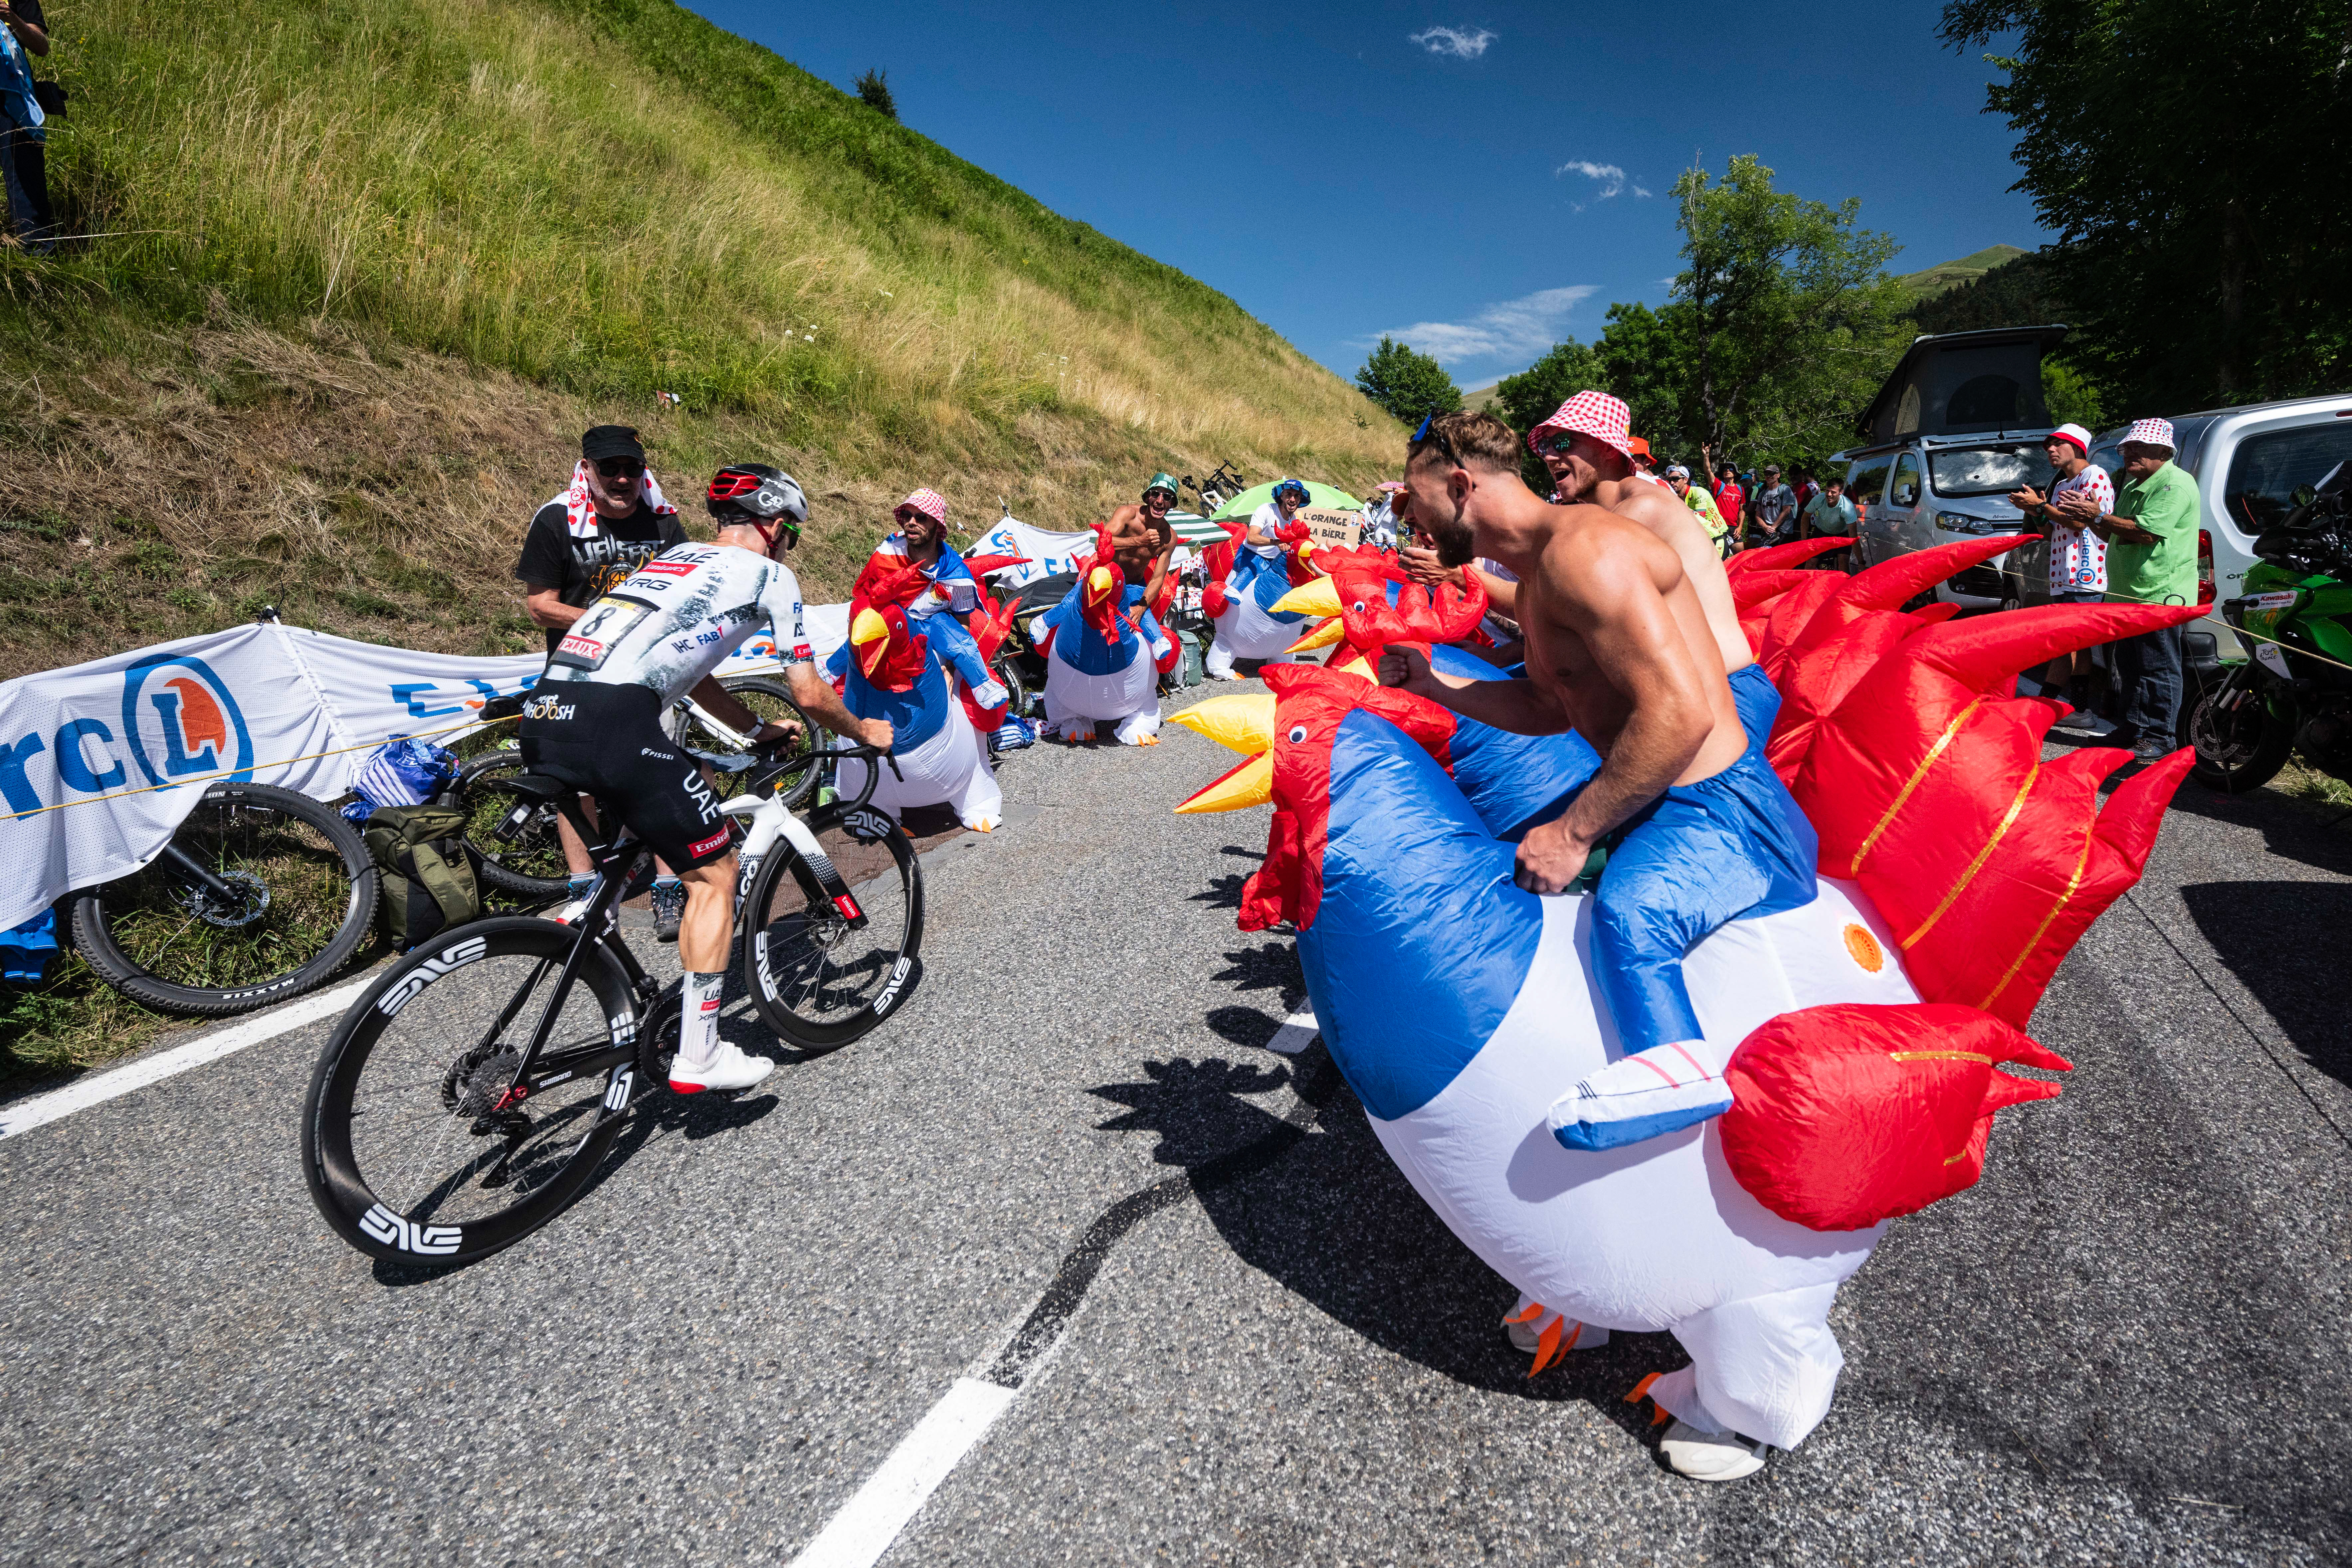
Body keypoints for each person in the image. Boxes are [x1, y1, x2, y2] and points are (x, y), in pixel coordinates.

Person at [1378, 411, 1816, 1169]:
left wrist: (1574, 832)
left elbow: (1680, 715)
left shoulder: (1587, 552)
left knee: (1632, 915)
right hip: (1659, 800)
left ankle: (1676, 1073)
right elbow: (1551, 709)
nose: (1406, 518)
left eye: (1413, 501)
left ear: (1459, 485)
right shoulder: (1543, 576)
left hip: (1721, 809)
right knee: (1517, 877)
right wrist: (1433, 683)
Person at [520, 465, 894, 1093]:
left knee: (631, 848)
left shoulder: (671, 559)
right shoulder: (772, 576)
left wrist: (752, 728)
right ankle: (699, 1055)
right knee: (712, 872)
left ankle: (587, 921)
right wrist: (862, 731)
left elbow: (689, 669)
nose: (787, 546)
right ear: (775, 527)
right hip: (616, 724)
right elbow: (806, 689)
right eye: (790, 535)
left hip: (545, 712)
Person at [515, 426, 693, 935]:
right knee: (573, 783)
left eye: (632, 469)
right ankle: (585, 889)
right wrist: (606, 621)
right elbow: (540, 606)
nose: (622, 479)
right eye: (609, 468)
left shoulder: (662, 521)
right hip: (578, 671)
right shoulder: (557, 520)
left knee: (660, 778)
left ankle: (666, 890)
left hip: (647, 673)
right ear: (586, 469)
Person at [1527, 393, 1772, 741]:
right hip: (1704, 696)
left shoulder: (1642, 508)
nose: (1550, 455)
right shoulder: (1611, 513)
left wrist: (1469, 578)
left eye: (1564, 441)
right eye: (1546, 446)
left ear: (1609, 449)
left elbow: (1554, 596)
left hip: (1727, 698)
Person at [2054, 418, 2198, 761]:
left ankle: (2160, 735)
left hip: (2159, 593)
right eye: (2126, 448)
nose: (2128, 454)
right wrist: (2091, 517)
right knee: (2130, 668)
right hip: (2129, 593)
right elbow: (2114, 534)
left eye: (2138, 447)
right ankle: (2134, 728)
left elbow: (2147, 532)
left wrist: (2099, 516)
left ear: (2163, 451)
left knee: (2158, 669)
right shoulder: (2136, 484)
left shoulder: (2174, 485)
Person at [2007, 423, 2114, 716]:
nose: (2051, 451)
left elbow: (2082, 522)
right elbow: (2052, 532)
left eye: (2057, 445)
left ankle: (2044, 705)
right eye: (2047, 447)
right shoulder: (2063, 485)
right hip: (2063, 574)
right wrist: (2035, 511)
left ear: (2078, 447)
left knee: (2067, 643)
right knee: (2074, 644)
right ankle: (2079, 711)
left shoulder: (2094, 475)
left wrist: (2041, 506)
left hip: (2087, 572)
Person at [0, 0, 52, 254]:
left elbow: (42, 47)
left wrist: (12, 19)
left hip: (12, 100)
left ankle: (38, 256)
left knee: (25, 178)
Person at [1100, 474, 1183, 611]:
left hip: (1134, 585)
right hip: (1105, 576)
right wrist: (1138, 541)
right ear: (1148, 497)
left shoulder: (1170, 537)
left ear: (1172, 504)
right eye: (1156, 494)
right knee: (1072, 610)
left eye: (1167, 497)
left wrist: (1141, 608)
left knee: (1152, 631)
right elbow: (1100, 543)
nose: (1160, 501)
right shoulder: (1128, 514)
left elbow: (1157, 579)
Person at [1665, 464, 1730, 546]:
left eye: (1676, 479)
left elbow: (1699, 521)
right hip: (1703, 536)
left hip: (1719, 534)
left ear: (1685, 480)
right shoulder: (1677, 498)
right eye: (1669, 480)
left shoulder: (1698, 492)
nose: (1672, 483)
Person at [1800, 473, 1856, 540]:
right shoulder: (1818, 499)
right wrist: (1804, 540)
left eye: (1833, 492)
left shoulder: (1847, 507)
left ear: (1841, 492)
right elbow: (1805, 517)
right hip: (1820, 532)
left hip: (1841, 535)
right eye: (1827, 491)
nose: (1829, 495)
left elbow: (1854, 537)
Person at [1750, 465, 1796, 544]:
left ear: (1778, 475)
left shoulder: (1785, 489)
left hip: (1783, 532)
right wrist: (1765, 527)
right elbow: (1758, 514)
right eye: (1767, 474)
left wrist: (1774, 527)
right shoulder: (1762, 493)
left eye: (1772, 474)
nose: (1769, 476)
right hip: (1767, 531)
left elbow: (1787, 511)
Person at [1359, 482, 1406, 551]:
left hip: (1390, 529)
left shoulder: (1402, 504)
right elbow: (1382, 489)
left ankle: (1391, 561)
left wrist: (1400, 512)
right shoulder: (1391, 495)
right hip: (1380, 526)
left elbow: (1400, 519)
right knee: (1379, 549)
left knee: (1394, 549)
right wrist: (1395, 490)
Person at [1711, 465, 1746, 545]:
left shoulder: (1741, 490)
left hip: (1734, 528)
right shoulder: (1719, 485)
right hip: (1719, 526)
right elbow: (1708, 472)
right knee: (1720, 555)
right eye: (1725, 470)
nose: (1727, 470)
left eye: (1731, 469)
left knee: (1740, 555)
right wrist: (1706, 457)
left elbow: (1742, 511)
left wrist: (1740, 527)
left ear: (1735, 473)